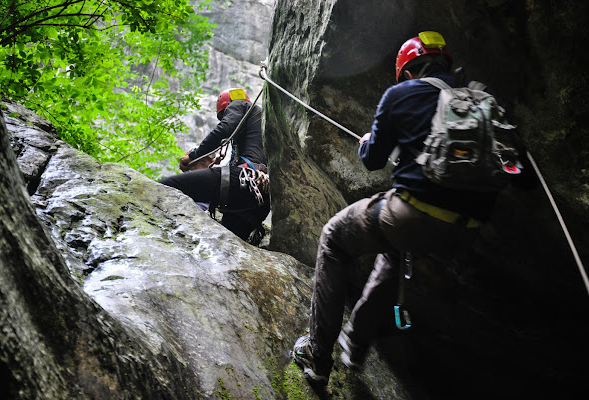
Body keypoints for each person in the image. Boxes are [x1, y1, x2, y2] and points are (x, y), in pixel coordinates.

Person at [291, 31, 532, 385]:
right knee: (392, 253)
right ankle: (355, 343)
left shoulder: (400, 94)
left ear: (406, 71)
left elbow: (372, 160)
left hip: (410, 214)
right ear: (447, 63)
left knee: (334, 238)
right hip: (466, 232)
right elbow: (522, 176)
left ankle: (317, 354)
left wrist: (366, 143)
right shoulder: (486, 100)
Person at [160, 88, 270, 243]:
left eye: (224, 115)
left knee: (165, 186)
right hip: (259, 200)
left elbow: (226, 127)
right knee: (227, 247)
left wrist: (193, 155)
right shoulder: (260, 127)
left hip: (245, 181)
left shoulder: (239, 105)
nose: (226, 117)